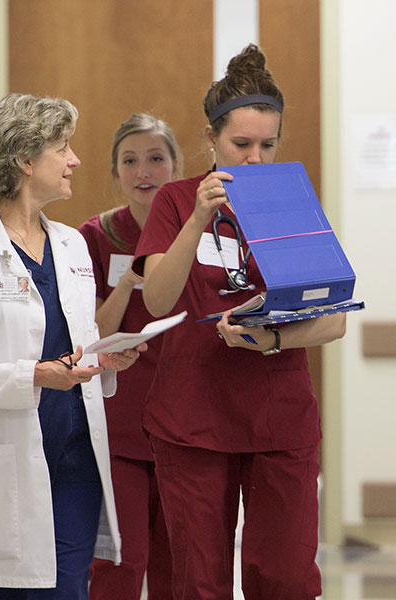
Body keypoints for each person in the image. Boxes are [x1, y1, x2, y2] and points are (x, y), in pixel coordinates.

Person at [133, 44, 345, 599]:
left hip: (280, 418)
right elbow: (157, 299)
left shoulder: (292, 202)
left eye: (267, 145)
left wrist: (270, 339)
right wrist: (200, 217)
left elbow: (333, 322)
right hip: (194, 418)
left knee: (285, 578)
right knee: (198, 581)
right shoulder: (176, 202)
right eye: (240, 144)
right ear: (210, 139)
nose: (254, 158)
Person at [0, 93, 145, 599]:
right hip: (2, 466)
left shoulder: (72, 245)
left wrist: (101, 359)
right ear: (25, 160)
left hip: (74, 460)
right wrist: (34, 376)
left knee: (67, 590)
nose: (75, 160)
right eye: (62, 148)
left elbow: (73, 345)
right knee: (1, 592)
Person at [79, 113, 181, 599]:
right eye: (130, 161)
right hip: (119, 421)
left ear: (177, 166)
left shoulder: (196, 234)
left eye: (156, 159)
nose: (144, 172)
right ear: (115, 171)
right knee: (122, 559)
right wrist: (127, 283)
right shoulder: (93, 237)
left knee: (176, 564)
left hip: (185, 419)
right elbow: (93, 332)